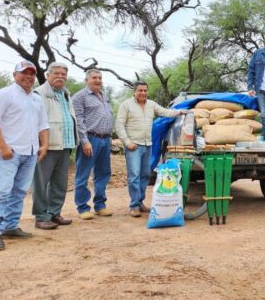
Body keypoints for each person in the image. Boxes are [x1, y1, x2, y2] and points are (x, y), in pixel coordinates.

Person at [0, 61, 49, 251]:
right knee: (2, 192)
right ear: (15, 74)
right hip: (9, 153)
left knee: (19, 192)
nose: (29, 77)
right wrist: (3, 146)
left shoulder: (37, 99)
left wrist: (44, 145)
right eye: (24, 73)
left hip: (30, 153)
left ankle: (10, 226)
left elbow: (43, 125)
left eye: (32, 73)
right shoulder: (3, 94)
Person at [115, 81, 187, 217]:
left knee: (145, 175)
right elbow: (119, 125)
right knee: (134, 176)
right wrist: (127, 142)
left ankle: (140, 202)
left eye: (145, 91)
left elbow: (165, 112)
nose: (143, 93)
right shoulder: (126, 105)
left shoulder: (151, 104)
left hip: (148, 145)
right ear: (134, 92)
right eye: (140, 90)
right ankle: (134, 205)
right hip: (133, 146)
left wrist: (180, 111)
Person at [32, 62, 78, 230]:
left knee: (60, 183)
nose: (60, 76)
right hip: (47, 146)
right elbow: (34, 120)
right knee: (41, 183)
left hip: (65, 144)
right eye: (56, 73)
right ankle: (41, 216)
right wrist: (39, 143)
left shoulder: (66, 93)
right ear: (47, 75)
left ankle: (54, 213)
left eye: (63, 74)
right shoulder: (39, 94)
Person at [72, 69, 114, 220]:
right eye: (94, 78)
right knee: (83, 174)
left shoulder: (104, 95)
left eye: (100, 78)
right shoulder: (79, 97)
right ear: (86, 80)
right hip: (90, 139)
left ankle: (100, 205)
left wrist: (109, 137)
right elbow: (79, 121)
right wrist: (85, 141)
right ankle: (83, 207)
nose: (98, 80)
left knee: (103, 173)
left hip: (105, 140)